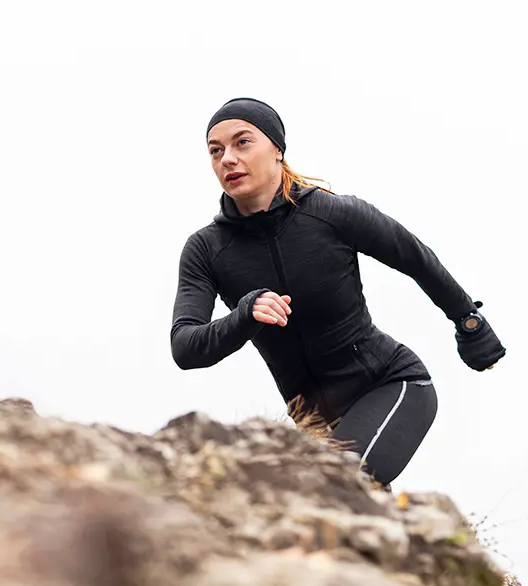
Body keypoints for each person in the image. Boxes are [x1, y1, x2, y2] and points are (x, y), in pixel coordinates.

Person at [170, 97, 506, 488]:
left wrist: (469, 323)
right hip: (315, 424)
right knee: (338, 512)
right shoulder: (207, 250)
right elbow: (185, 347)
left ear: (277, 150)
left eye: (242, 142)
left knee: (330, 487)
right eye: (216, 150)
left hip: (391, 386)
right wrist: (244, 314)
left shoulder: (333, 214)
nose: (227, 158)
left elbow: (415, 258)